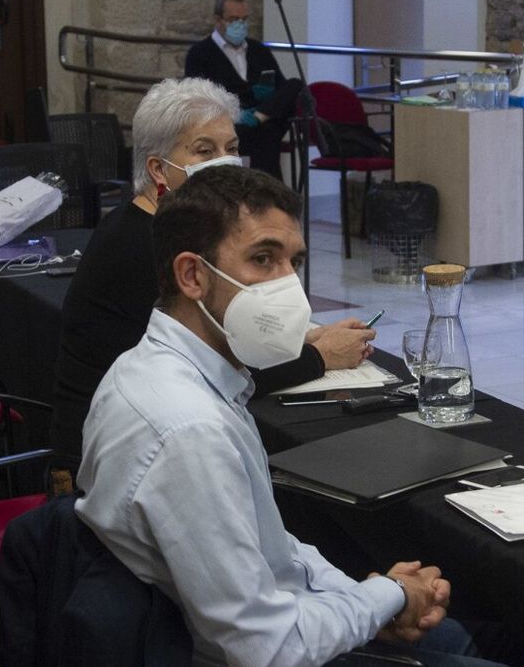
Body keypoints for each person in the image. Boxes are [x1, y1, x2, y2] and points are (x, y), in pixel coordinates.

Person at [75, 165, 502, 666]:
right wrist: (387, 597)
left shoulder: (165, 370)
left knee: (489, 634)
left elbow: (273, 549)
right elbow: (266, 648)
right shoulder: (189, 430)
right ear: (192, 275)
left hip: (279, 619)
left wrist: (373, 598)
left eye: (293, 262)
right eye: (262, 259)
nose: (288, 286)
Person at [50, 77, 372, 467]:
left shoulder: (163, 224)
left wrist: (301, 333)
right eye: (205, 150)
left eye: (231, 148)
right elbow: (217, 363)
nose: (224, 161)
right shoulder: (142, 241)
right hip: (107, 454)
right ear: (158, 169)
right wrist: (318, 355)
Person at [185, 0, 303, 180]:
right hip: (228, 124)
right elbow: (199, 98)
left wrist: (263, 105)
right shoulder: (200, 54)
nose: (240, 24)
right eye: (233, 19)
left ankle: (260, 117)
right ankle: (269, 199)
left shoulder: (258, 50)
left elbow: (282, 87)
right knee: (268, 135)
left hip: (260, 117)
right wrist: (241, 109)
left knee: (295, 85)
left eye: (244, 19)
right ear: (218, 20)